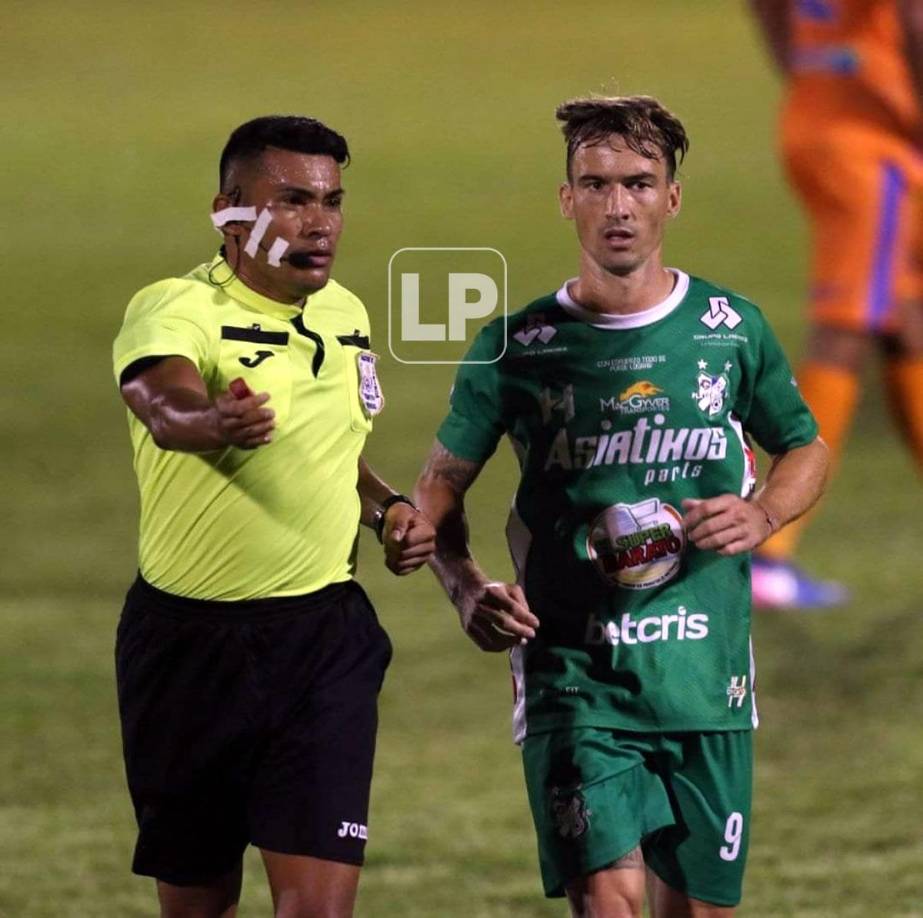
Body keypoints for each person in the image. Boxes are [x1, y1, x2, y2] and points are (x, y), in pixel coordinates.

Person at [414, 96, 829, 917]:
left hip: (703, 681)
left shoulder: (728, 329)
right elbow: (439, 485)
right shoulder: (516, 346)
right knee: (607, 906)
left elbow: (804, 446)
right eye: (594, 184)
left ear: (671, 197)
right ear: (566, 198)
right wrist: (464, 587)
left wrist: (763, 516)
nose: (617, 205)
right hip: (576, 678)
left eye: (638, 183)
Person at [112, 115, 435, 918]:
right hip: (188, 649)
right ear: (228, 209)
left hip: (320, 641)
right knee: (198, 902)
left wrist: (385, 507)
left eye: (331, 200)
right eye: (291, 200)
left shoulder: (346, 314)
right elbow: (161, 404)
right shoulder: (175, 306)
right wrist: (213, 424)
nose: (319, 222)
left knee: (320, 909)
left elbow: (332, 449)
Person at [749, 0, 923, 607]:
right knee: (846, 329)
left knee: (902, 320)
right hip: (875, 141)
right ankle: (766, 551)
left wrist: (808, 72)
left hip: (816, 119)